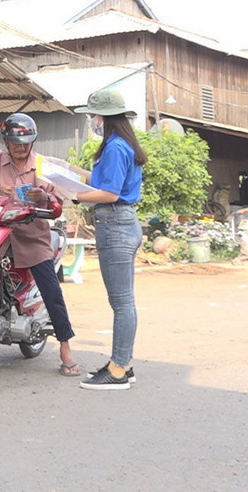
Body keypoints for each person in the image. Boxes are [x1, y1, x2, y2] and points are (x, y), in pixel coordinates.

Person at [0, 113, 80, 376]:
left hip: (33, 237)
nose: (21, 148)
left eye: (26, 143)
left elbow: (57, 206)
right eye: (15, 142)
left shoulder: (43, 166)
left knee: (52, 291)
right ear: (5, 141)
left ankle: (65, 346)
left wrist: (43, 197)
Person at [73, 89, 146, 390]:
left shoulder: (115, 148)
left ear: (104, 117)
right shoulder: (120, 145)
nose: (91, 120)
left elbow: (110, 193)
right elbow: (101, 181)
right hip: (121, 222)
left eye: (92, 115)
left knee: (121, 302)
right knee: (123, 301)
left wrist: (74, 196)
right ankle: (122, 363)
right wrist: (67, 171)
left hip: (115, 223)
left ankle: (118, 369)